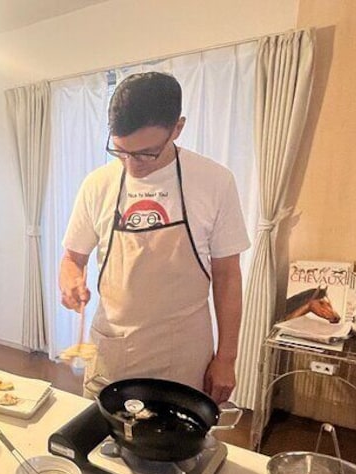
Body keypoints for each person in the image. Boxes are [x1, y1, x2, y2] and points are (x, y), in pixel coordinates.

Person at [60, 72, 249, 403]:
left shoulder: (214, 182)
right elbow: (72, 258)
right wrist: (71, 281)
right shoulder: (97, 185)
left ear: (177, 128)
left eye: (145, 153)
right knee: (101, 446)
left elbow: (228, 276)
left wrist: (227, 359)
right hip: (112, 350)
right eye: (120, 151)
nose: (132, 165)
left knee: (176, 449)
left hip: (184, 355)